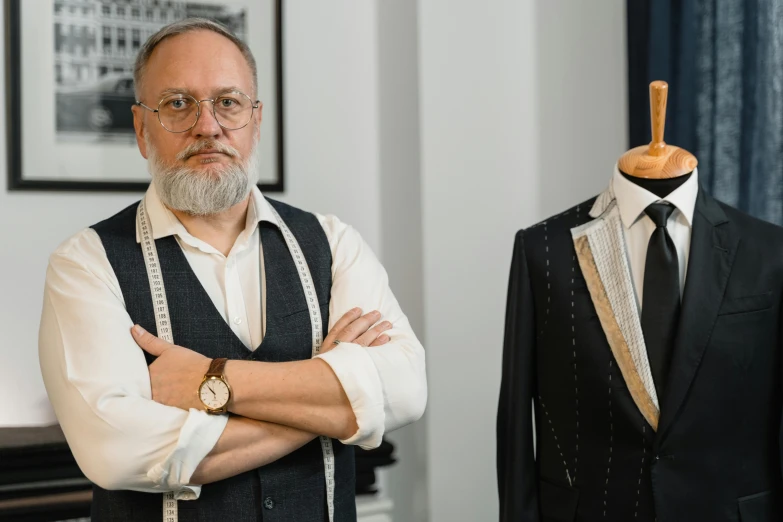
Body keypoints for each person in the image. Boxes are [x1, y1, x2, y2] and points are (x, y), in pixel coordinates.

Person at [39, 18, 426, 522]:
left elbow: (405, 389)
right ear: (140, 128)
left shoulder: (332, 243)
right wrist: (331, 399)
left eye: (228, 102)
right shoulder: (86, 262)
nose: (207, 125)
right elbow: (116, 452)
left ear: (255, 120)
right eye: (178, 103)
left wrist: (209, 381)